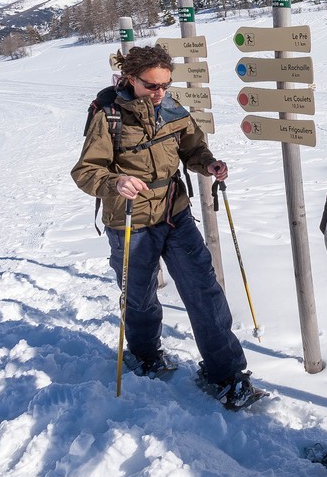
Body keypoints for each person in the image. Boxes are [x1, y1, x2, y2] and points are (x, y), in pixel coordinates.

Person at [72, 43, 254, 404]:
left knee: (205, 291)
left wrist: (209, 164)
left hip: (174, 212)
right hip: (130, 219)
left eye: (165, 85)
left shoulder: (171, 108)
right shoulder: (108, 116)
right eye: (151, 85)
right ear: (130, 79)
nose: (159, 93)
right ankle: (145, 354)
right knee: (139, 297)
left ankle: (226, 374)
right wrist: (115, 182)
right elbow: (86, 171)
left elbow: (192, 149)